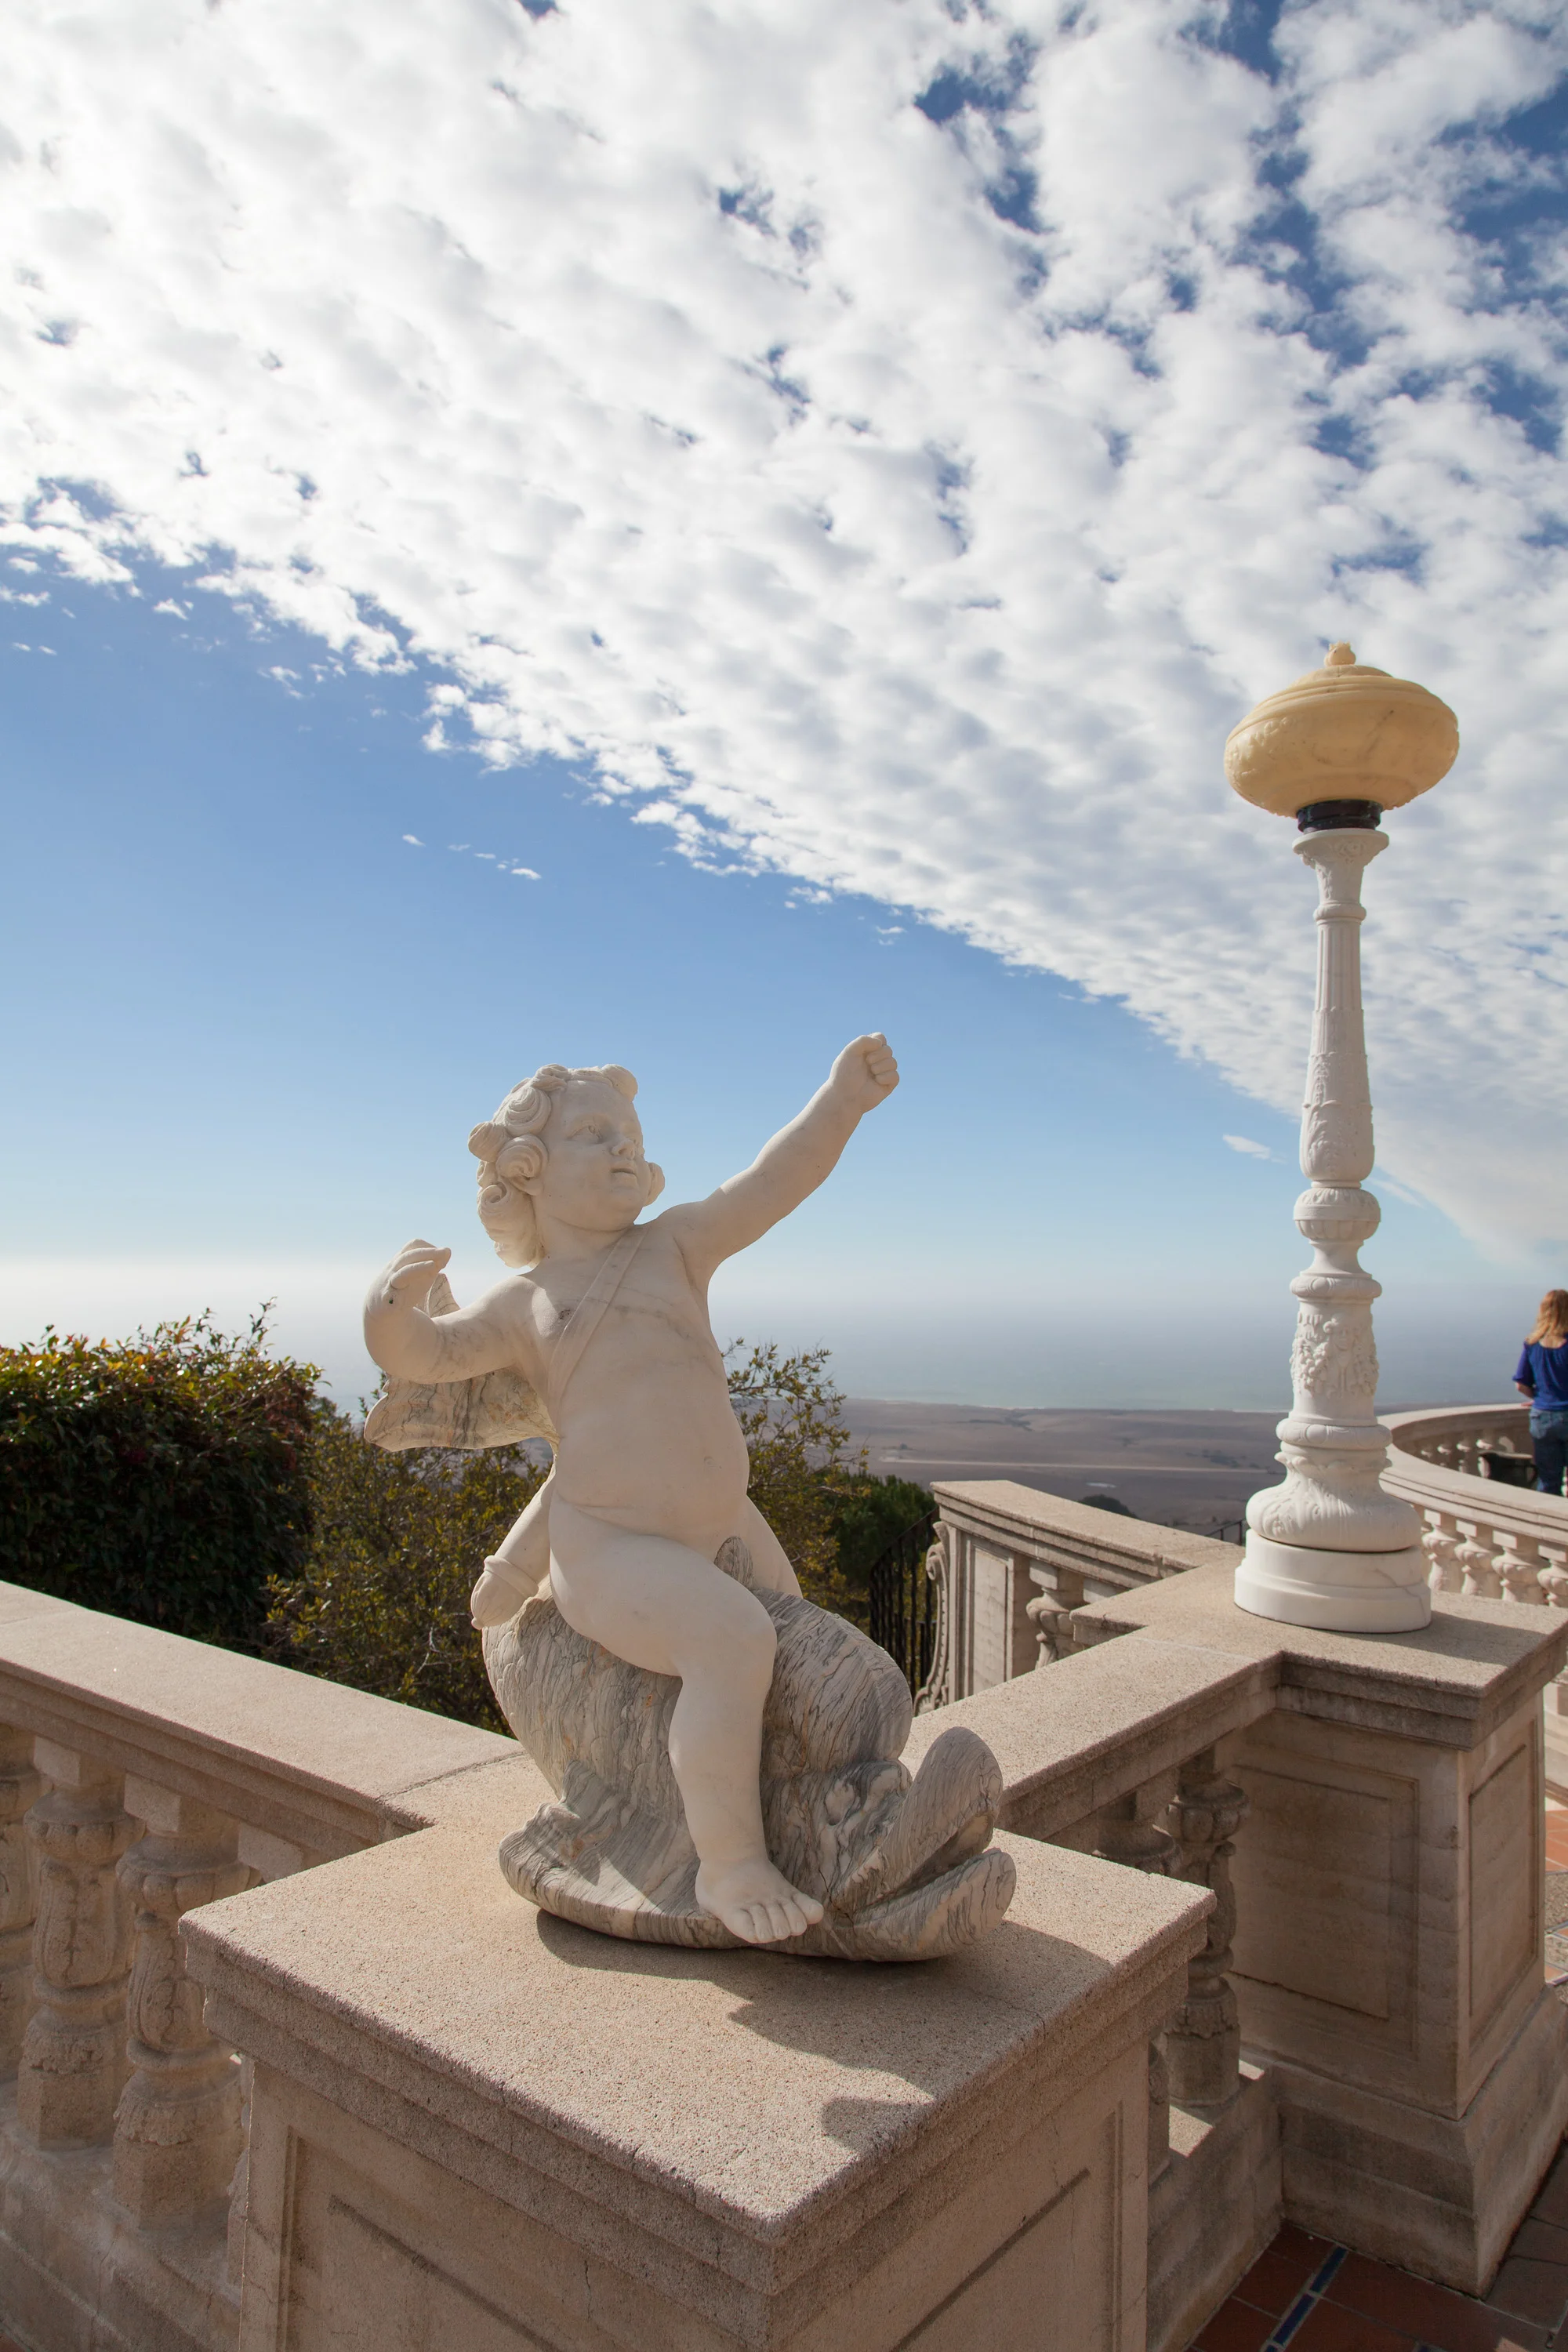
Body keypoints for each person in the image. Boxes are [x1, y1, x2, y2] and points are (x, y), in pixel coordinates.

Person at [364, 1034, 899, 1947]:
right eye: (592, 1135)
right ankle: (730, 1863)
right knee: (734, 1643)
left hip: (721, 1521)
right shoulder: (521, 1302)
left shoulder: (676, 1246)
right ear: (527, 1171)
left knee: (792, 1644)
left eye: (630, 1137)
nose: (622, 1147)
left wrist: (840, 1100)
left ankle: (799, 1808)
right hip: (609, 1547)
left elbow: (772, 1181)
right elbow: (432, 1355)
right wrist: (386, 1312)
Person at [1514, 1290, 1568, 1497]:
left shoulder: (1532, 1343)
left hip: (1543, 1416)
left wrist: (1542, 1397)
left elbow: (1521, 1385)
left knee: (1547, 1480)